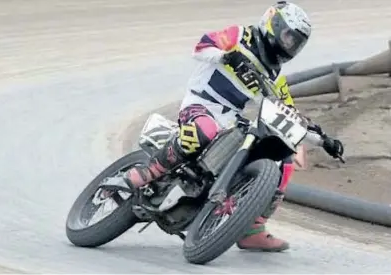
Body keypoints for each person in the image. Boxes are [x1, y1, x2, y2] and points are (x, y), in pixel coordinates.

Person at [102, 1, 344, 252]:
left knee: (286, 162)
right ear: (273, 25)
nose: (290, 45)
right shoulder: (240, 36)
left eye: (296, 43)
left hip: (228, 120)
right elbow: (201, 46)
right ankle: (147, 173)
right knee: (205, 130)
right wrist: (227, 55)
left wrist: (323, 140)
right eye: (288, 36)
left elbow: (289, 113)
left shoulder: (275, 76)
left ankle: (253, 228)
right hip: (200, 104)